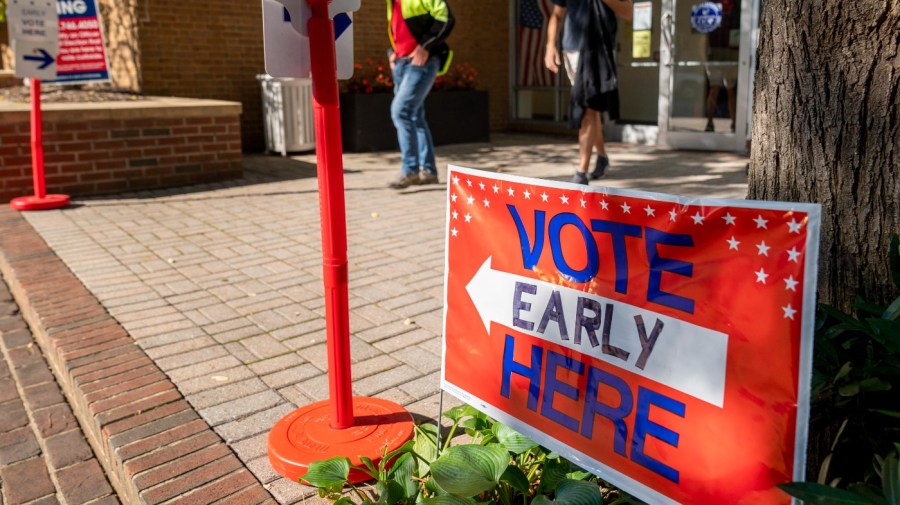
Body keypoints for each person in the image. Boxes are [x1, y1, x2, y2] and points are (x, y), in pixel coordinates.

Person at [544, 0, 632, 185]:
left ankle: (581, 172)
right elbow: (557, 15)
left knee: (588, 108)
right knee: (591, 107)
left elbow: (629, 12)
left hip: (598, 51)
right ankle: (601, 157)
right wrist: (550, 46)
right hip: (572, 52)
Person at [386, 0, 455, 190]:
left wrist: (425, 46)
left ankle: (410, 170)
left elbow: (446, 17)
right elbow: (399, 30)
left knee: (401, 112)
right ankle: (430, 172)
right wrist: (393, 52)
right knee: (415, 117)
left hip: (420, 64)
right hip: (401, 63)